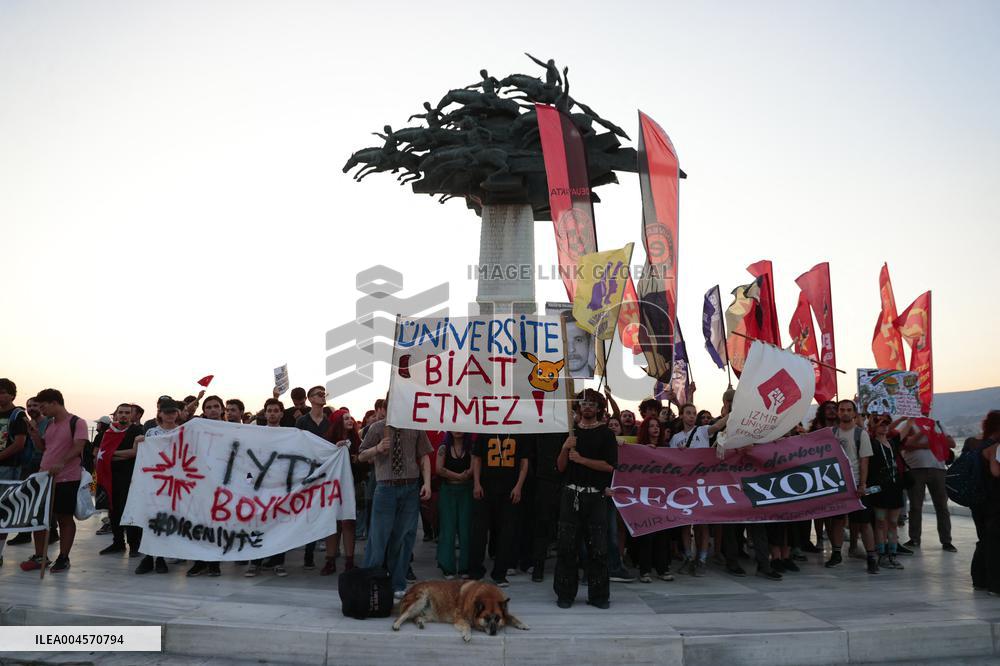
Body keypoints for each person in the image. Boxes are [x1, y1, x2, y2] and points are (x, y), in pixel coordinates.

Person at [358, 403, 433, 599]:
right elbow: (361, 454)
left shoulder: (416, 426)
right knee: (378, 537)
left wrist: (427, 483)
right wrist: (377, 448)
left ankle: (398, 583)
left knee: (404, 537)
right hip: (386, 488)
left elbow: (424, 456)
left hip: (410, 487)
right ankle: (370, 581)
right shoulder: (377, 427)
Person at [554, 389, 617, 610]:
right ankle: (565, 594)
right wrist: (565, 447)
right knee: (566, 547)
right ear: (578, 407)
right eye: (583, 403)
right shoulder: (570, 433)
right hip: (571, 494)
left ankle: (598, 595)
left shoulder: (606, 434)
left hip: (595, 496)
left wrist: (581, 459)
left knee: (598, 548)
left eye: (591, 404)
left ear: (599, 408)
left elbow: (609, 466)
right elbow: (561, 466)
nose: (587, 407)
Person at [19, 389, 87, 574]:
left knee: (64, 517)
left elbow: (78, 446)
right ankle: (40, 555)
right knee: (38, 518)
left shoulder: (77, 422)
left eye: (43, 406)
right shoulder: (49, 424)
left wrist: (62, 462)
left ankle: (63, 557)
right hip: (44, 477)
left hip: (67, 477)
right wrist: (33, 434)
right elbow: (44, 447)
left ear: (54, 402)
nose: (41, 410)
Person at [668, 403, 727, 576]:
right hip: (684, 484)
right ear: (681, 416)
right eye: (688, 413)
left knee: (702, 522)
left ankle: (701, 559)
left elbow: (718, 426)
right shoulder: (675, 438)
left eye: (694, 413)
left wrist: (733, 413)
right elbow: (670, 461)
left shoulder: (702, 431)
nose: (692, 416)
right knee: (686, 522)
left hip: (702, 483)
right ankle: (688, 556)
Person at [825, 400, 879, 574]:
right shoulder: (831, 433)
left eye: (849, 410)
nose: (845, 413)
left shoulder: (860, 434)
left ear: (854, 413)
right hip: (838, 485)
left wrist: (863, 484)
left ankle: (872, 557)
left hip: (856, 484)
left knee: (864, 523)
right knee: (838, 521)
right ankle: (836, 553)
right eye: (842, 410)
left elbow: (864, 461)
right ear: (838, 413)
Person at [470, 431, 529, 587]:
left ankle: (500, 573)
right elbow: (477, 458)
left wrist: (518, 487)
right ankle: (476, 571)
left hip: (509, 492)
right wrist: (476, 483)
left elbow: (524, 462)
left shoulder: (519, 432)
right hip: (485, 490)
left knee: (507, 533)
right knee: (479, 532)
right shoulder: (486, 430)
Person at [135, 401, 183, 575]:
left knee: (166, 519)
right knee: (150, 519)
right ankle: (148, 557)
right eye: (166, 412)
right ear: (160, 414)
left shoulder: (182, 431)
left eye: (173, 412)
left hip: (175, 483)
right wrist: (139, 442)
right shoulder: (151, 432)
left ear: (177, 413)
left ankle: (161, 557)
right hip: (154, 482)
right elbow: (141, 453)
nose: (170, 415)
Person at [247, 398, 291, 578]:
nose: (272, 413)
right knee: (256, 523)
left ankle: (278, 562)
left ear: (281, 413)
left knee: (279, 524)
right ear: (265, 414)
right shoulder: (255, 434)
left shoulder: (290, 434)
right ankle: (254, 562)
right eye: (269, 411)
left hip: (279, 487)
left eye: (276, 410)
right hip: (258, 487)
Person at [95, 403, 144, 560]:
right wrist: (114, 455)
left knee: (128, 511)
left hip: (129, 477)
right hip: (110, 476)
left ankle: (134, 545)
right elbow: (98, 454)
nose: (123, 415)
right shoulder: (108, 432)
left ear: (131, 415)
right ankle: (118, 543)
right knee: (113, 510)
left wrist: (110, 454)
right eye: (120, 412)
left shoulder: (136, 430)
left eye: (127, 412)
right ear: (115, 415)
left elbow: (134, 453)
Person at [901, 418, 956, 552]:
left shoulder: (938, 423)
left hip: (938, 469)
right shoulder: (909, 423)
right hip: (915, 469)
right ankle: (914, 539)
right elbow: (903, 444)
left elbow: (952, 443)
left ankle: (946, 540)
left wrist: (934, 437)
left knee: (942, 506)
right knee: (915, 506)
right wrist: (924, 441)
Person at [634, 416, 673, 584]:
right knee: (647, 535)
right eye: (651, 426)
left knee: (663, 535)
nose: (656, 429)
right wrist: (643, 452)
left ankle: (662, 569)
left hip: (664, 498)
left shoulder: (667, 449)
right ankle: (645, 570)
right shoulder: (638, 449)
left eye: (658, 426)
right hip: (645, 498)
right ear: (645, 430)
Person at [867, 414, 906, 570]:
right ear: (874, 427)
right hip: (880, 488)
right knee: (881, 522)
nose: (884, 427)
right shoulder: (871, 443)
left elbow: (905, 429)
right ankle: (882, 555)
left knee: (893, 523)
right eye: (881, 424)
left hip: (895, 486)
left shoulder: (892, 442)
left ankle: (893, 554)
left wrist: (907, 418)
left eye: (887, 424)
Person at [435, 432, 473, 579]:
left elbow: (475, 465)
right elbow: (439, 468)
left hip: (466, 491)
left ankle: (465, 567)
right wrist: (458, 476)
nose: (457, 430)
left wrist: (468, 475)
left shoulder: (470, 447)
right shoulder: (443, 447)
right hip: (448, 490)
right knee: (448, 528)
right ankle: (447, 567)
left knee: (466, 528)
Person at [971, 412, 1000, 594]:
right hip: (992, 500)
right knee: (993, 542)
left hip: (978, 498)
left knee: (985, 540)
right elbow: (996, 473)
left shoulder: (974, 443)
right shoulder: (994, 447)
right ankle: (993, 584)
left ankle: (980, 579)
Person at [0, 378, 27, 567]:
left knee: (2, 511)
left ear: (12, 394)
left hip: (8, 468)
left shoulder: (17, 415)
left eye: (2, 392)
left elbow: (19, 443)